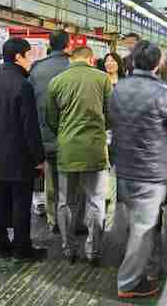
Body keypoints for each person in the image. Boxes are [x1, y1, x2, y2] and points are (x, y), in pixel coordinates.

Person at [109, 40, 167, 299]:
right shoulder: (162, 92)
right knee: (143, 227)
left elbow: (113, 120)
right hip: (149, 171)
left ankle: (148, 271)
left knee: (137, 224)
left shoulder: (119, 88)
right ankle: (128, 282)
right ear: (157, 63)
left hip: (124, 166)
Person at [46, 46, 112, 265]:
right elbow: (111, 114)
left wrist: (65, 133)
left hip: (67, 149)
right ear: (91, 59)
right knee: (96, 201)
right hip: (95, 148)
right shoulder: (103, 79)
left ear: (71, 59)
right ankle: (93, 250)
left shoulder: (56, 81)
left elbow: (51, 118)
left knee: (65, 201)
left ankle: (68, 248)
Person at [0, 38, 46, 260]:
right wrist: (38, 157)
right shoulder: (23, 85)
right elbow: (29, 126)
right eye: (29, 54)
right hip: (20, 154)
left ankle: (1, 246)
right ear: (19, 57)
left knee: (0, 200)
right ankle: (23, 248)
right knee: (21, 202)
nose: (31, 59)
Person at [28, 30, 71, 227]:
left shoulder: (37, 69)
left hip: (45, 135)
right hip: (72, 136)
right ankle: (71, 220)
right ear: (68, 45)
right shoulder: (73, 67)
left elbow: (31, 102)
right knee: (73, 182)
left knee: (51, 180)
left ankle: (54, 220)